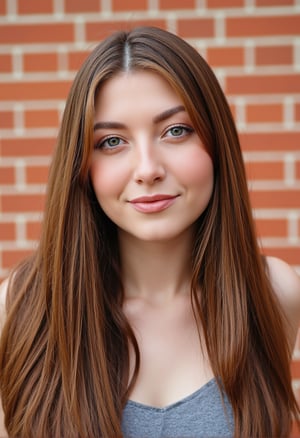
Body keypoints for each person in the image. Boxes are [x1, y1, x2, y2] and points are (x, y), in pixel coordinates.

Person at [0, 26, 300, 438]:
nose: (147, 169)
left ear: (217, 144)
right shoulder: (20, 308)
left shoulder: (272, 293)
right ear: (82, 166)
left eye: (176, 131)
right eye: (111, 141)